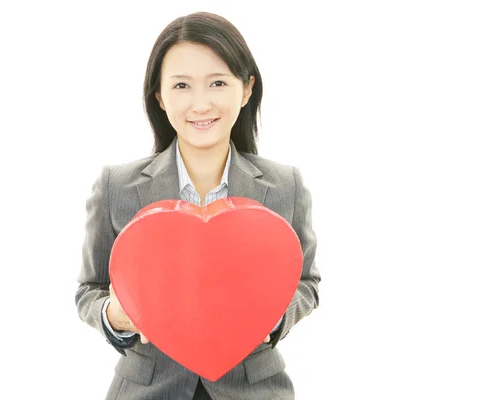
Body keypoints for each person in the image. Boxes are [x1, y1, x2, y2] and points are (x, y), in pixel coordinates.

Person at [75, 11, 321, 400]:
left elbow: (307, 282)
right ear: (159, 95)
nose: (201, 103)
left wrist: (271, 317)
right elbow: (90, 289)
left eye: (218, 82)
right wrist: (114, 315)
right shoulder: (116, 186)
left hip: (255, 390)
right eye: (182, 85)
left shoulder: (284, 186)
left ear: (246, 89)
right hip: (147, 390)